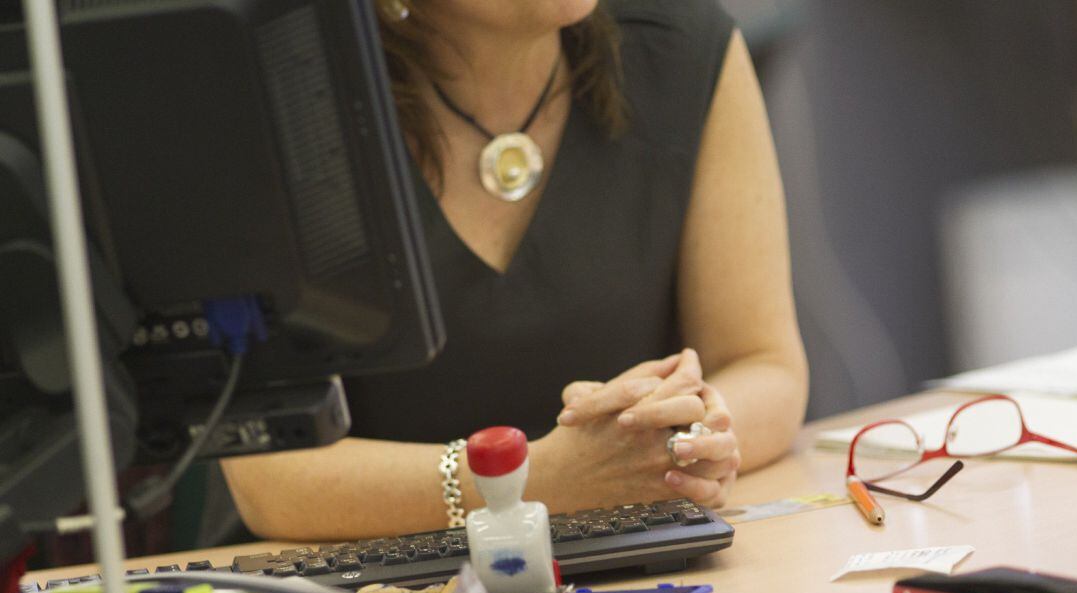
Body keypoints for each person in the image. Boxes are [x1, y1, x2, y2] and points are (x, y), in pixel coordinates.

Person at [222, 0, 808, 540]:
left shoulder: (683, 47)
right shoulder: (277, 83)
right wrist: (539, 481)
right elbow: (269, 475)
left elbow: (762, 363)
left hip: (631, 563)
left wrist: (682, 440)